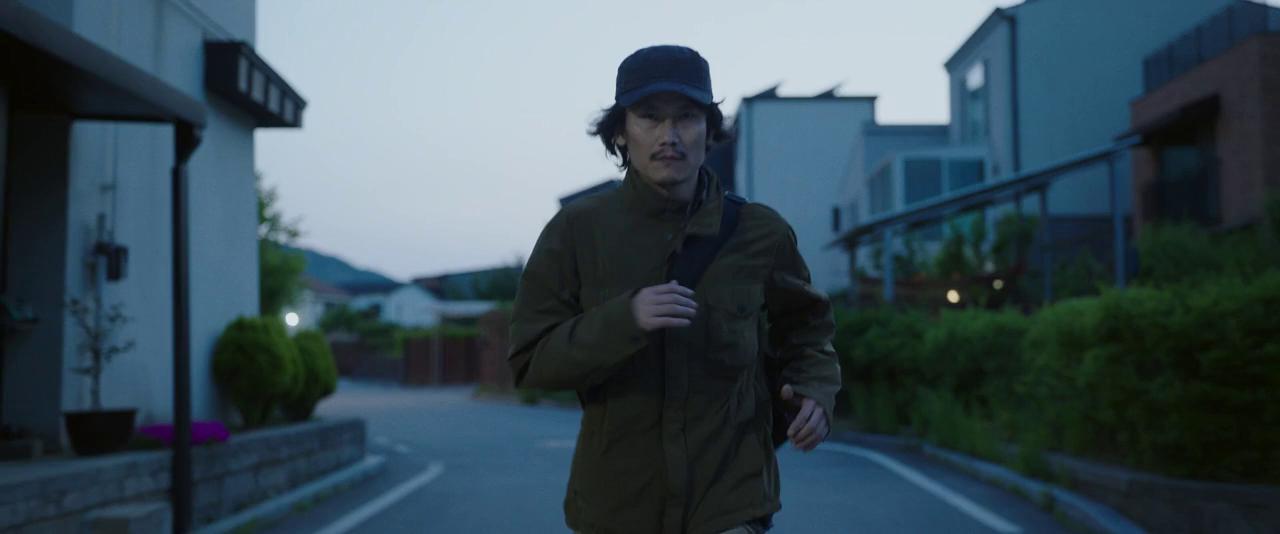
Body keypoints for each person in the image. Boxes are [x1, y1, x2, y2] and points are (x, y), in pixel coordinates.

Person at [508, 44, 842, 534]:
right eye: (649, 117)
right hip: (616, 510)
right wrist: (625, 319)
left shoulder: (760, 232)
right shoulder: (577, 231)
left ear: (710, 130)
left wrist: (815, 390)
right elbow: (529, 360)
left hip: (731, 503)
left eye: (686, 117)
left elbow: (808, 329)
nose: (669, 135)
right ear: (620, 132)